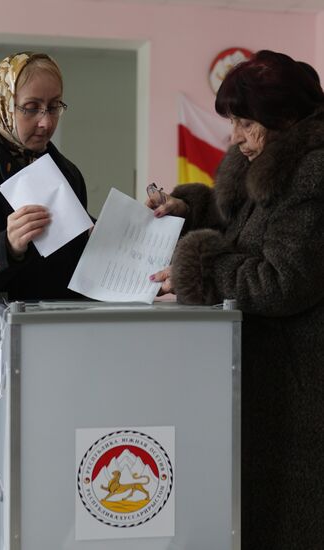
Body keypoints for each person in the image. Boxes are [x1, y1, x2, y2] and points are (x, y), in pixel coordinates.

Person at [148, 50, 324, 549]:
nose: (235, 137)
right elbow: (240, 233)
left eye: (246, 124)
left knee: (288, 521)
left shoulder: (311, 175)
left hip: (296, 389)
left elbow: (280, 280)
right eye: (234, 123)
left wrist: (199, 269)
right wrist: (189, 209)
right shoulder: (268, 162)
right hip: (260, 379)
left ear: (286, 118)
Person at [0, 52, 91, 550]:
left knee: (53, 470)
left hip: (56, 355)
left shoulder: (66, 174)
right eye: (31, 107)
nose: (45, 121)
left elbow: (76, 271)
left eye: (55, 107)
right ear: (4, 105)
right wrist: (3, 249)